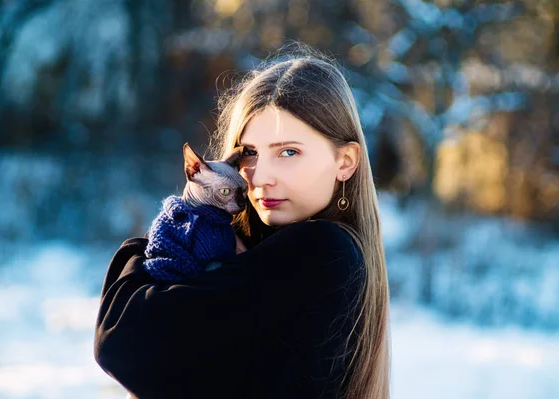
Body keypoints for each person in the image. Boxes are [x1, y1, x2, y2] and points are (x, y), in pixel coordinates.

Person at [94, 42, 390, 399]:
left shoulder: (324, 251)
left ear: (345, 161)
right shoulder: (261, 252)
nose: (260, 176)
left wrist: (157, 241)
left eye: (288, 152)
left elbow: (122, 340)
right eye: (250, 153)